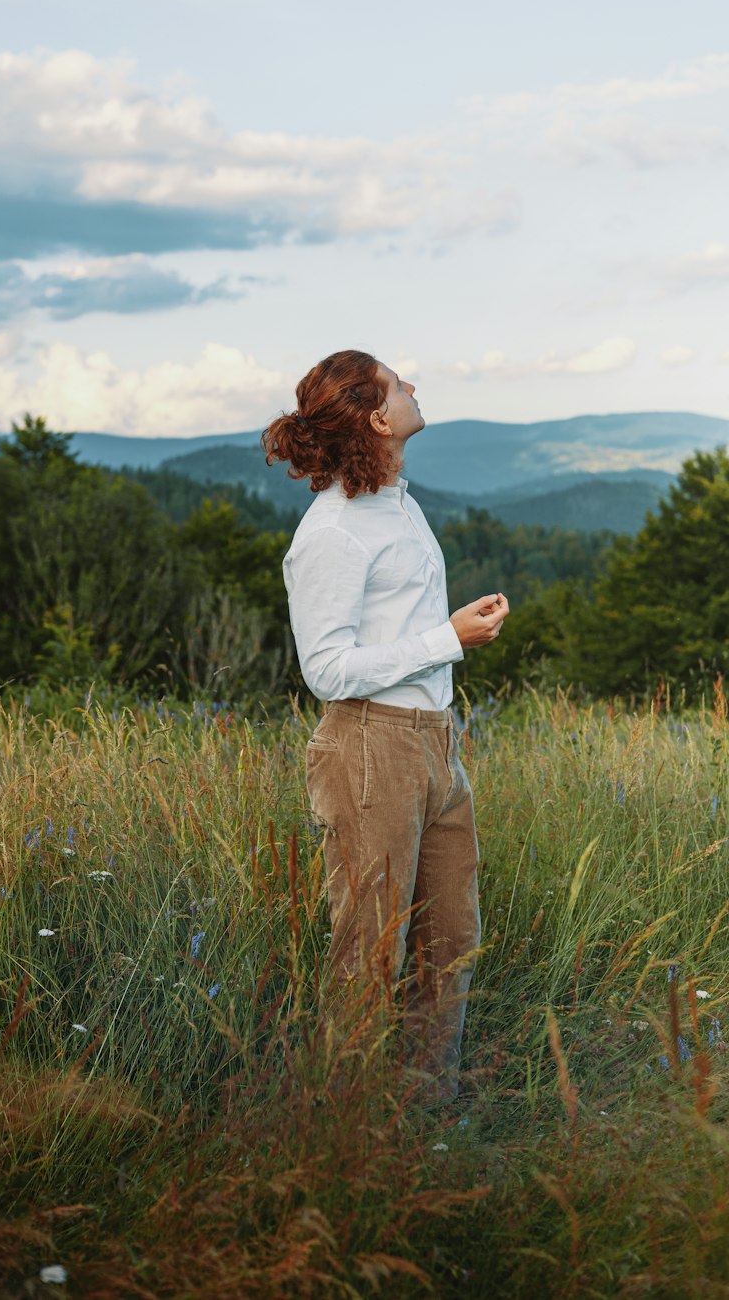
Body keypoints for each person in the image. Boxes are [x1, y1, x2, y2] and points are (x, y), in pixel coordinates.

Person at [262, 348, 509, 1106]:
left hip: (435, 743)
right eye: (400, 383)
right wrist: (448, 638)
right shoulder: (331, 532)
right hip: (369, 746)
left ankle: (423, 1118)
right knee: (368, 953)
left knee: (451, 943)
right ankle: (352, 1131)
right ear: (377, 418)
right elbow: (327, 670)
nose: (414, 386)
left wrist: (446, 642)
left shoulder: (399, 502)